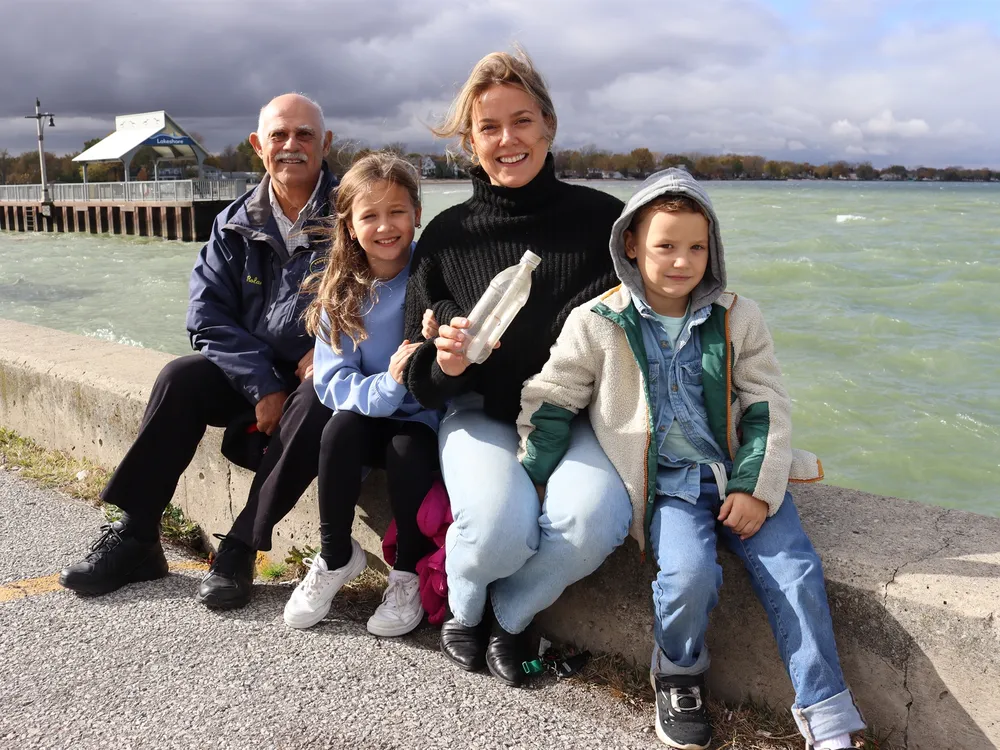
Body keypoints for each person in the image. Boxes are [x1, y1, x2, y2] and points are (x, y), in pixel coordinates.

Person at [516, 168, 866, 749]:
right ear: (631, 244)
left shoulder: (738, 315)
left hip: (737, 472)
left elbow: (766, 403)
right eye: (666, 246)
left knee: (796, 573)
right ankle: (678, 675)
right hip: (668, 487)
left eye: (697, 247)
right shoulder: (597, 322)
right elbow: (553, 400)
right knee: (688, 577)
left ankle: (827, 716)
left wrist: (755, 486)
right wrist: (531, 476)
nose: (682, 260)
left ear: (713, 248)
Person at [402, 50, 633, 688]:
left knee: (592, 521)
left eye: (522, 120)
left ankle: (510, 613)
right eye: (489, 127)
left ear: (549, 126)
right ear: (470, 142)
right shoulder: (447, 236)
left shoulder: (607, 224)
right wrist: (445, 363)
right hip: (481, 411)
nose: (508, 139)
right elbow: (415, 372)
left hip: (577, 414)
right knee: (500, 530)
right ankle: (464, 604)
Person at [59, 93, 341, 611]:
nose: (291, 146)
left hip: (322, 375)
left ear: (325, 143)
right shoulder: (233, 222)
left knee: (317, 396)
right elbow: (207, 317)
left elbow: (386, 286)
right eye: (279, 135)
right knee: (180, 378)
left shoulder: (354, 213)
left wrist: (329, 345)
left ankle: (238, 548)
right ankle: (139, 534)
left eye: (305, 135)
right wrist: (263, 384)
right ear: (258, 146)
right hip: (255, 373)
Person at [282, 152, 440, 637]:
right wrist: (388, 385)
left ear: (416, 214)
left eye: (397, 212)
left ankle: (407, 572)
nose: (385, 226)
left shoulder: (434, 275)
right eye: (369, 215)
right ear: (349, 226)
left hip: (422, 419)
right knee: (340, 429)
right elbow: (331, 382)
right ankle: (335, 555)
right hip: (372, 408)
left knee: (407, 448)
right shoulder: (343, 291)